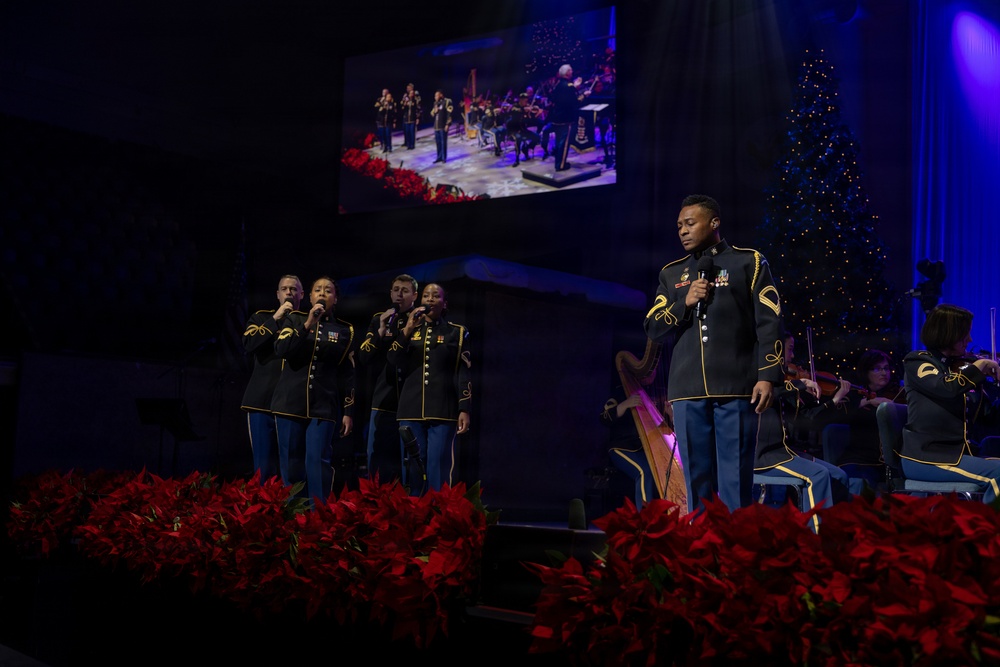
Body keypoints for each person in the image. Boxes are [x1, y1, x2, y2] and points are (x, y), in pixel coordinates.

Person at [643, 194, 784, 514]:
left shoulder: (749, 262)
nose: (683, 231)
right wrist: (684, 303)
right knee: (696, 480)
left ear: (714, 222)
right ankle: (700, 541)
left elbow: (769, 323)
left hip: (736, 386)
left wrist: (767, 376)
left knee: (736, 478)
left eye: (690, 223)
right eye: (679, 226)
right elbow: (653, 327)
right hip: (687, 390)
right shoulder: (671, 273)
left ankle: (736, 541)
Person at [900, 303, 1000, 502]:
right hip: (927, 457)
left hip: (958, 455)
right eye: (965, 333)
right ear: (949, 333)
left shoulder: (962, 370)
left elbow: (988, 418)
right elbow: (946, 388)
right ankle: (987, 523)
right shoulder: (918, 361)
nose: (970, 340)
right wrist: (979, 366)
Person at [271, 276, 357, 505]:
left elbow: (347, 374)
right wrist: (308, 323)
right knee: (291, 464)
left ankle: (318, 516)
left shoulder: (345, 330)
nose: (322, 294)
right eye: (317, 290)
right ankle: (293, 515)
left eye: (328, 290)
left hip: (323, 406)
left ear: (335, 298)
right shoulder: (294, 319)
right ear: (309, 297)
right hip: (289, 403)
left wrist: (348, 411)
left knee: (318, 463)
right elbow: (281, 349)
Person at [387, 282, 471, 495]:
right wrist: (408, 329)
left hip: (443, 409)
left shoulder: (456, 332)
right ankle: (414, 510)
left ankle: (437, 511)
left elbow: (463, 372)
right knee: (414, 465)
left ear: (445, 304)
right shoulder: (408, 330)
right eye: (426, 296)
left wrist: (464, 407)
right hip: (410, 408)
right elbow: (392, 359)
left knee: (437, 465)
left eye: (435, 296)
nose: (430, 299)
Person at [755, 358, 852, 532]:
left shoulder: (787, 386)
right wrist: (800, 383)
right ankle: (816, 538)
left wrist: (832, 400)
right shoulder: (763, 377)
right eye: (789, 348)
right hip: (765, 455)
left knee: (839, 475)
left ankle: (838, 533)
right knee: (818, 475)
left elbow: (806, 418)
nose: (792, 357)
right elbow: (768, 392)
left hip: (786, 451)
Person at [240, 274, 303, 484]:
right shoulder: (261, 318)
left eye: (293, 289)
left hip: (292, 404)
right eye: (284, 289)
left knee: (290, 468)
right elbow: (249, 344)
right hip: (262, 402)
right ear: (277, 294)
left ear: (302, 294)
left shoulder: (307, 321)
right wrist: (275, 319)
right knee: (263, 467)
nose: (289, 292)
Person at [356, 274, 419, 485]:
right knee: (378, 463)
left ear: (414, 296)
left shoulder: (421, 321)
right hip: (384, 400)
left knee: (409, 464)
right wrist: (380, 331)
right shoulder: (379, 319)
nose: (399, 294)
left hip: (413, 400)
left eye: (405, 290)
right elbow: (364, 357)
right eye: (396, 290)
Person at [600, 393, 657, 510]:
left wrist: (671, 414)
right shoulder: (621, 391)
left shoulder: (659, 393)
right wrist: (625, 404)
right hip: (623, 447)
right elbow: (605, 418)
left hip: (650, 448)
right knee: (644, 470)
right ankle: (645, 517)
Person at [548, 64, 591, 171]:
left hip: (557, 117)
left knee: (559, 142)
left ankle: (559, 163)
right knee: (564, 143)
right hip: (566, 118)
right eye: (571, 70)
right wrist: (584, 95)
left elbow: (559, 98)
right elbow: (575, 102)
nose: (572, 72)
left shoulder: (558, 84)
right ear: (567, 73)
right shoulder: (569, 86)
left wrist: (574, 87)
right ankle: (561, 165)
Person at [430, 89, 453, 164]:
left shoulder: (447, 101)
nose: (435, 97)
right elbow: (432, 114)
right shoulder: (435, 103)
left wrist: (447, 124)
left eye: (436, 95)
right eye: (435, 96)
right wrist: (435, 111)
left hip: (443, 126)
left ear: (441, 95)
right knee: (438, 143)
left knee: (443, 142)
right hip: (436, 126)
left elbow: (449, 114)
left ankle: (443, 158)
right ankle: (439, 157)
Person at [399, 83, 421, 150]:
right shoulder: (406, 98)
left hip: (412, 118)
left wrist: (417, 118)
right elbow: (402, 107)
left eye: (412, 93)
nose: (411, 94)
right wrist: (405, 103)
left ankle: (412, 145)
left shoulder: (415, 100)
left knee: (412, 132)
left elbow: (418, 109)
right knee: (407, 132)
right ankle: (408, 144)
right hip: (406, 118)